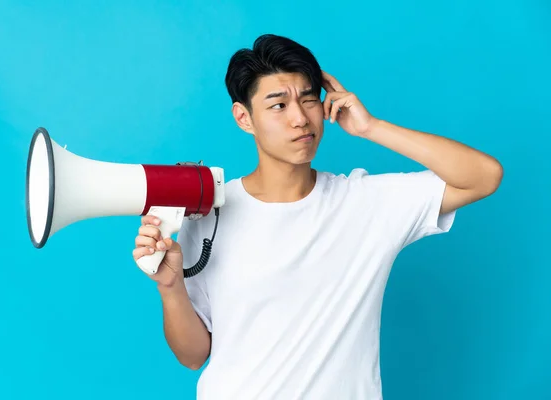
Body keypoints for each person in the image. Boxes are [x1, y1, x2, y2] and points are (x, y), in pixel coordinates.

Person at [131, 34, 503, 399]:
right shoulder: (208, 214)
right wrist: (170, 286)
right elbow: (193, 355)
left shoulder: (367, 202)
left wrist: (370, 127)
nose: (300, 119)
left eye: (309, 99)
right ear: (244, 118)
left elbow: (483, 176)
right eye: (278, 105)